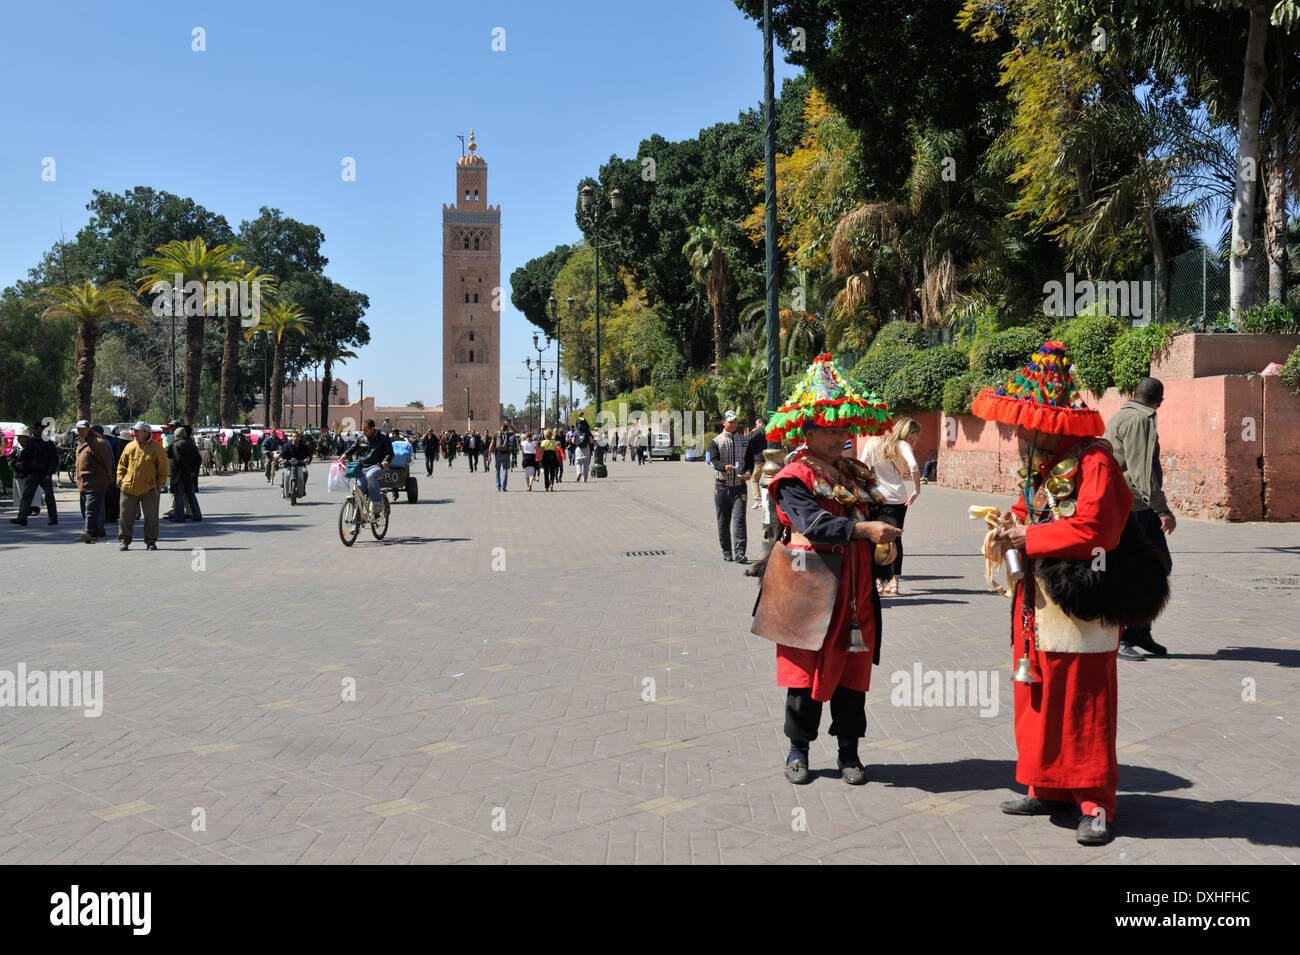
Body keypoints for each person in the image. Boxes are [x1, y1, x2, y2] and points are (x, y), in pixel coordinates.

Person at [974, 342, 1135, 846]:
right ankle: (1044, 784)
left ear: (1051, 425)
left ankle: (1094, 803)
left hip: (1081, 606)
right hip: (1036, 607)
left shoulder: (1095, 465)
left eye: (1025, 426)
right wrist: (1012, 524)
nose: (1019, 434)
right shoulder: (1045, 469)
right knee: (1037, 695)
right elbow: (1040, 518)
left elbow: (1095, 531)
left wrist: (1030, 537)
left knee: (1084, 701)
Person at [754, 353, 897, 786]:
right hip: (811, 591)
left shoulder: (855, 473)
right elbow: (810, 523)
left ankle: (849, 753)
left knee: (853, 681)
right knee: (803, 678)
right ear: (810, 431)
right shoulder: (794, 477)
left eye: (845, 429)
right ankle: (798, 751)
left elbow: (881, 510)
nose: (843, 436)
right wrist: (863, 528)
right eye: (834, 430)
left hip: (856, 596)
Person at [1104, 377, 1176, 661]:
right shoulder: (1140, 420)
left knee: (1159, 565)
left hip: (1136, 506)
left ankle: (1138, 630)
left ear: (1133, 394)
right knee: (1134, 570)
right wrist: (1162, 509)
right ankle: (1120, 636)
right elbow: (1141, 472)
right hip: (1133, 508)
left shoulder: (1126, 415)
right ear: (1160, 401)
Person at [861, 418, 921, 595]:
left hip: (877, 497)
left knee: (876, 538)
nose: (913, 441)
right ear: (909, 433)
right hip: (898, 498)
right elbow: (914, 465)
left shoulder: (872, 442)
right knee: (896, 539)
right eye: (914, 437)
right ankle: (894, 584)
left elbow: (863, 465)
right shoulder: (902, 445)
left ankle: (879, 582)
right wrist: (917, 489)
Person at [117, 421, 169, 551]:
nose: (135, 434)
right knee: (125, 516)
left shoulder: (157, 449)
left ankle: (151, 542)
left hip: (150, 490)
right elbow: (121, 465)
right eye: (134, 431)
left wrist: (159, 485)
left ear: (146, 432)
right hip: (128, 488)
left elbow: (163, 469)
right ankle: (124, 541)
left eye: (137, 431)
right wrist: (120, 480)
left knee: (151, 518)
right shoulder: (129, 447)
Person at [709, 411, 751, 563]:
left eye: (735, 422)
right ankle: (727, 551)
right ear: (723, 423)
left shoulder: (745, 441)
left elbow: (750, 461)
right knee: (723, 521)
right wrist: (723, 467)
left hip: (739, 487)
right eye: (730, 422)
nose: (733, 425)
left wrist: (748, 472)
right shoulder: (716, 441)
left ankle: (740, 553)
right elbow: (712, 460)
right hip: (721, 487)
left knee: (740, 519)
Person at [8, 424, 58, 527]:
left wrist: (49, 473)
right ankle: (22, 518)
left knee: (49, 497)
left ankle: (53, 518)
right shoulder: (31, 442)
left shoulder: (48, 443)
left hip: (44, 474)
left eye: (36, 429)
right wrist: (23, 471)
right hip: (32, 473)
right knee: (26, 496)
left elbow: (54, 459)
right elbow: (25, 457)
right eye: (34, 429)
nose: (34, 431)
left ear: (41, 430)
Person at [345, 420, 393, 518]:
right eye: (362, 430)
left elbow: (390, 453)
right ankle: (355, 523)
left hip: (377, 467)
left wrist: (386, 461)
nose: (364, 432)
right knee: (358, 494)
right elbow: (353, 448)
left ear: (372, 429)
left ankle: (376, 503)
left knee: (370, 475)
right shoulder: (360, 437)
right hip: (362, 468)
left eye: (366, 430)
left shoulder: (383, 437)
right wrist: (344, 455)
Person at [74, 420, 112, 542]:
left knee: (90, 510)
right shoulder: (80, 442)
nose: (81, 431)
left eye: (83, 429)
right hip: (83, 483)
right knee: (85, 510)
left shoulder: (97, 443)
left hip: (96, 482)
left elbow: (106, 461)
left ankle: (88, 533)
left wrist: (109, 477)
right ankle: (98, 531)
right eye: (79, 429)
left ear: (88, 429)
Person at [168, 426, 203, 522]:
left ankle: (179, 517)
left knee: (179, 497)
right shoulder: (192, 444)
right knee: (191, 496)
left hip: (179, 476)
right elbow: (199, 459)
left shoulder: (176, 445)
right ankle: (197, 515)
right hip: (191, 476)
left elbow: (179, 460)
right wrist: (193, 471)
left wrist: (189, 470)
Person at [279, 429, 314, 499]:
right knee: (286, 473)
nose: (295, 438)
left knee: (305, 472)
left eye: (297, 437)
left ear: (299, 437)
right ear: (291, 437)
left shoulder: (303, 446)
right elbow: (282, 454)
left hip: (300, 464)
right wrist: (281, 458)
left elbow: (309, 455)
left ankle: (302, 488)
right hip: (289, 464)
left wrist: (308, 459)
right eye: (294, 436)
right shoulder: (287, 445)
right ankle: (284, 488)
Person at [745, 418, 768, 508]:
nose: (756, 426)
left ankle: (758, 500)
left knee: (754, 479)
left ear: (761, 424)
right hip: (767, 459)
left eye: (757, 424)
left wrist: (752, 431)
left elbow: (747, 439)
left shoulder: (759, 432)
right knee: (768, 478)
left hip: (759, 460)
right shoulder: (768, 431)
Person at [490, 423, 513, 491]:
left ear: (501, 428)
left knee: (497, 470)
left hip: (497, 454)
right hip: (506, 454)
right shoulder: (508, 434)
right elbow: (516, 431)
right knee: (505, 469)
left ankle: (498, 487)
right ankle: (504, 487)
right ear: (506, 428)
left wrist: (489, 454)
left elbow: (491, 444)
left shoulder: (496, 434)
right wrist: (510, 425)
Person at [572, 417, 594, 482]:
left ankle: (579, 472)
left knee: (578, 463)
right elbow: (591, 441)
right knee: (586, 465)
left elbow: (573, 441)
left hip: (578, 449)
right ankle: (584, 479)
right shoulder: (588, 432)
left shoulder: (576, 432)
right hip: (586, 449)